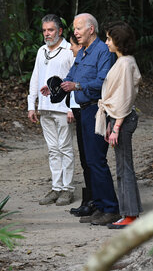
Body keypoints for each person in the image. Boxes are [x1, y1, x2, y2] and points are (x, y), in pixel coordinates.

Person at [60, 13, 120, 225]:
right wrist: (56, 87)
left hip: (97, 110)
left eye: (78, 28)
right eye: (75, 28)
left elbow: (103, 81)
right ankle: (99, 206)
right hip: (83, 110)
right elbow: (71, 75)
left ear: (91, 29)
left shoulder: (103, 51)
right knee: (87, 161)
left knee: (96, 160)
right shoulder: (83, 52)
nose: (75, 32)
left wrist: (77, 86)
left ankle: (111, 208)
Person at [95, 21, 142, 229]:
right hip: (117, 117)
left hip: (122, 119)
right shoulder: (123, 61)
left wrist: (116, 126)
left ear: (118, 41)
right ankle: (129, 212)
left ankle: (130, 214)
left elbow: (125, 97)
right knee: (123, 167)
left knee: (124, 168)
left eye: (109, 39)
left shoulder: (125, 64)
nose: (106, 43)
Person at [28, 14, 76, 206]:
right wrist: (32, 105)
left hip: (64, 108)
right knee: (53, 150)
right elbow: (35, 77)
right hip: (45, 108)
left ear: (60, 31)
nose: (47, 34)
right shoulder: (41, 51)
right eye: (44, 30)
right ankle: (56, 187)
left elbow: (74, 78)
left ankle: (68, 189)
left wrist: (73, 107)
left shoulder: (69, 51)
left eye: (51, 30)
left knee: (65, 148)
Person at [65, 33, 94, 217]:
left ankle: (93, 200)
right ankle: (89, 198)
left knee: (91, 159)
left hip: (88, 109)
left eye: (72, 45)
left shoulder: (90, 60)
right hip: (78, 110)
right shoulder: (79, 61)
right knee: (85, 158)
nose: (70, 48)